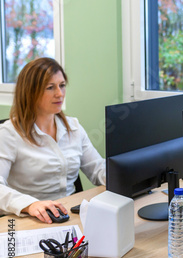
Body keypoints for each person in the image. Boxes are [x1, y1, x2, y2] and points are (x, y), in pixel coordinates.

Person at [0, 57, 105, 223]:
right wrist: (30, 204)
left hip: (69, 215)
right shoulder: (9, 133)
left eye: (62, 85)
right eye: (50, 87)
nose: (59, 93)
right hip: (30, 218)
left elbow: (97, 168)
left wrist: (125, 178)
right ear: (30, 92)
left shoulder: (73, 127)